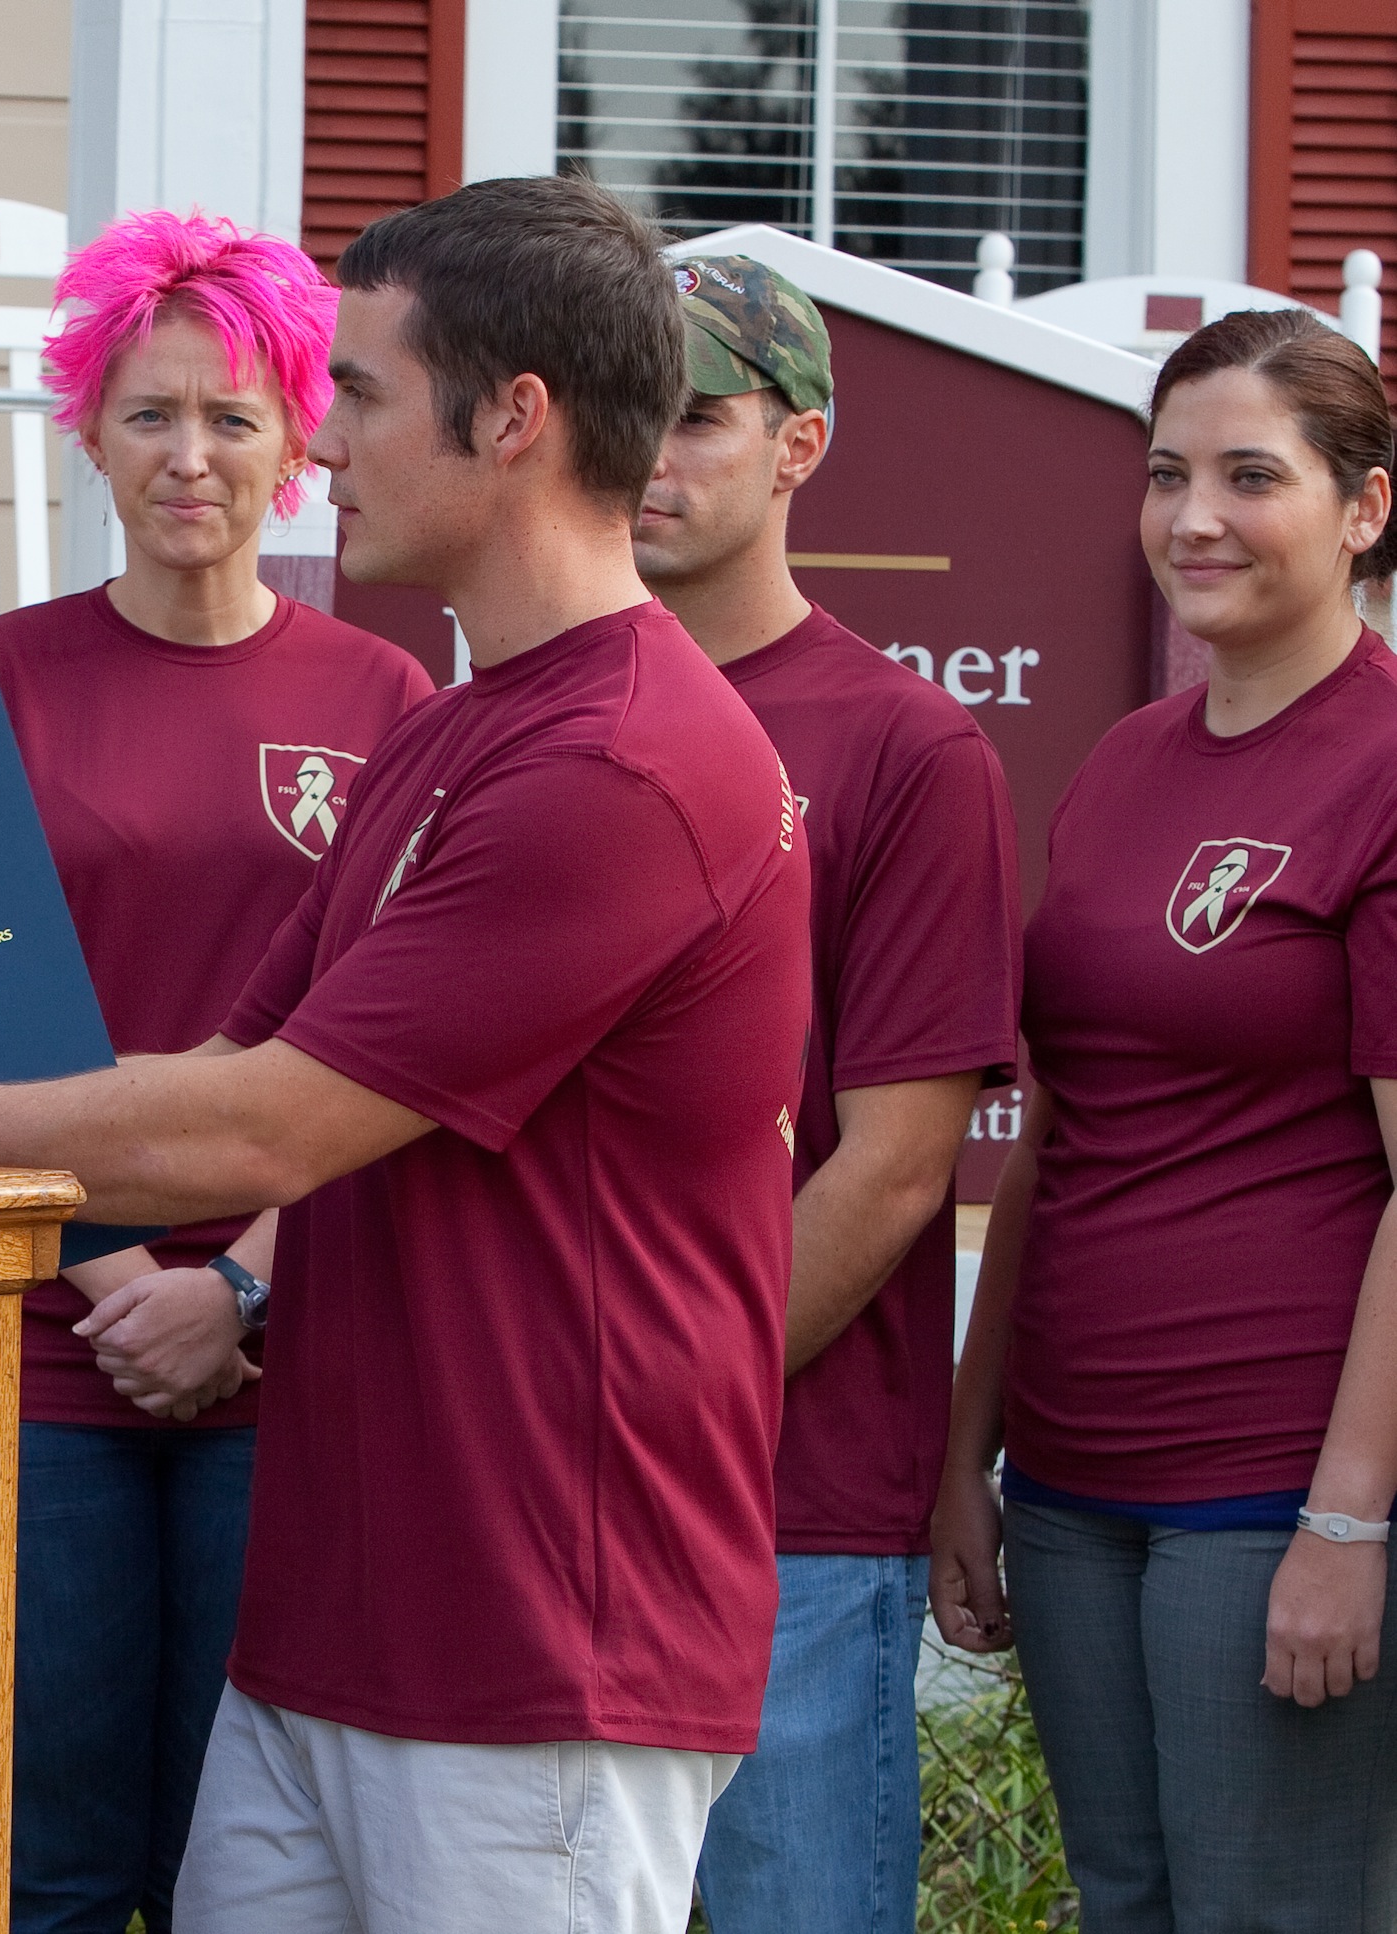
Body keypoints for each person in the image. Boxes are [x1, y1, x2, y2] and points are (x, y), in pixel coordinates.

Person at [0, 175, 812, 1932]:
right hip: (334, 1615)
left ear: (512, 420)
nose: (314, 443)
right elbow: (228, 1050)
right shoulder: (466, 735)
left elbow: (265, 1124)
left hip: (538, 1646)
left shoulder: (622, 763)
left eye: (349, 393)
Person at [0, 208, 429, 1934]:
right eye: (149, 413)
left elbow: (399, 1026)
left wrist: (237, 1285)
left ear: (302, 437)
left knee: (248, 1869)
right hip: (45, 1340)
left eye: (233, 414)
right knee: (38, 1860)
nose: (190, 453)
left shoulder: (389, 694)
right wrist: (120, 1268)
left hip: (285, 1348)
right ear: (88, 427)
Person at [933, 307, 1397, 1930]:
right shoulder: (1125, 763)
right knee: (1123, 1901)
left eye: (1249, 475)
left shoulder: (1389, 764)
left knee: (1274, 1911)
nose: (1193, 515)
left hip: (1267, 1486)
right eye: (1165, 474)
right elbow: (1064, 1118)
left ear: (1364, 506)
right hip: (1070, 1478)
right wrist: (966, 1450)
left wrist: (1349, 1520)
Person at [631, 258, 1022, 1934]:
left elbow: (895, 1163)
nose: (652, 450)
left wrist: (651, 1407)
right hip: (546, 1504)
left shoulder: (906, 747)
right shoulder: (529, 715)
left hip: (783, 1501)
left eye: (699, 416)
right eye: (623, 406)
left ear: (799, 446)